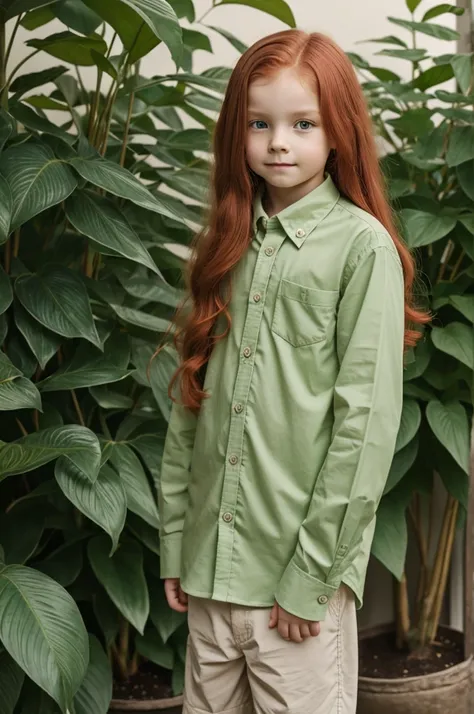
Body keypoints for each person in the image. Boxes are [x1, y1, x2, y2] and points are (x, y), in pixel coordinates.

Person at [157, 29, 429, 714]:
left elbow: (362, 428)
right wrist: (175, 545)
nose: (279, 142)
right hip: (210, 581)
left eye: (303, 123)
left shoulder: (362, 248)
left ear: (338, 131)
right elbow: (193, 400)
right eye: (260, 124)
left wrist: (311, 577)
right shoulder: (228, 240)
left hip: (294, 596)